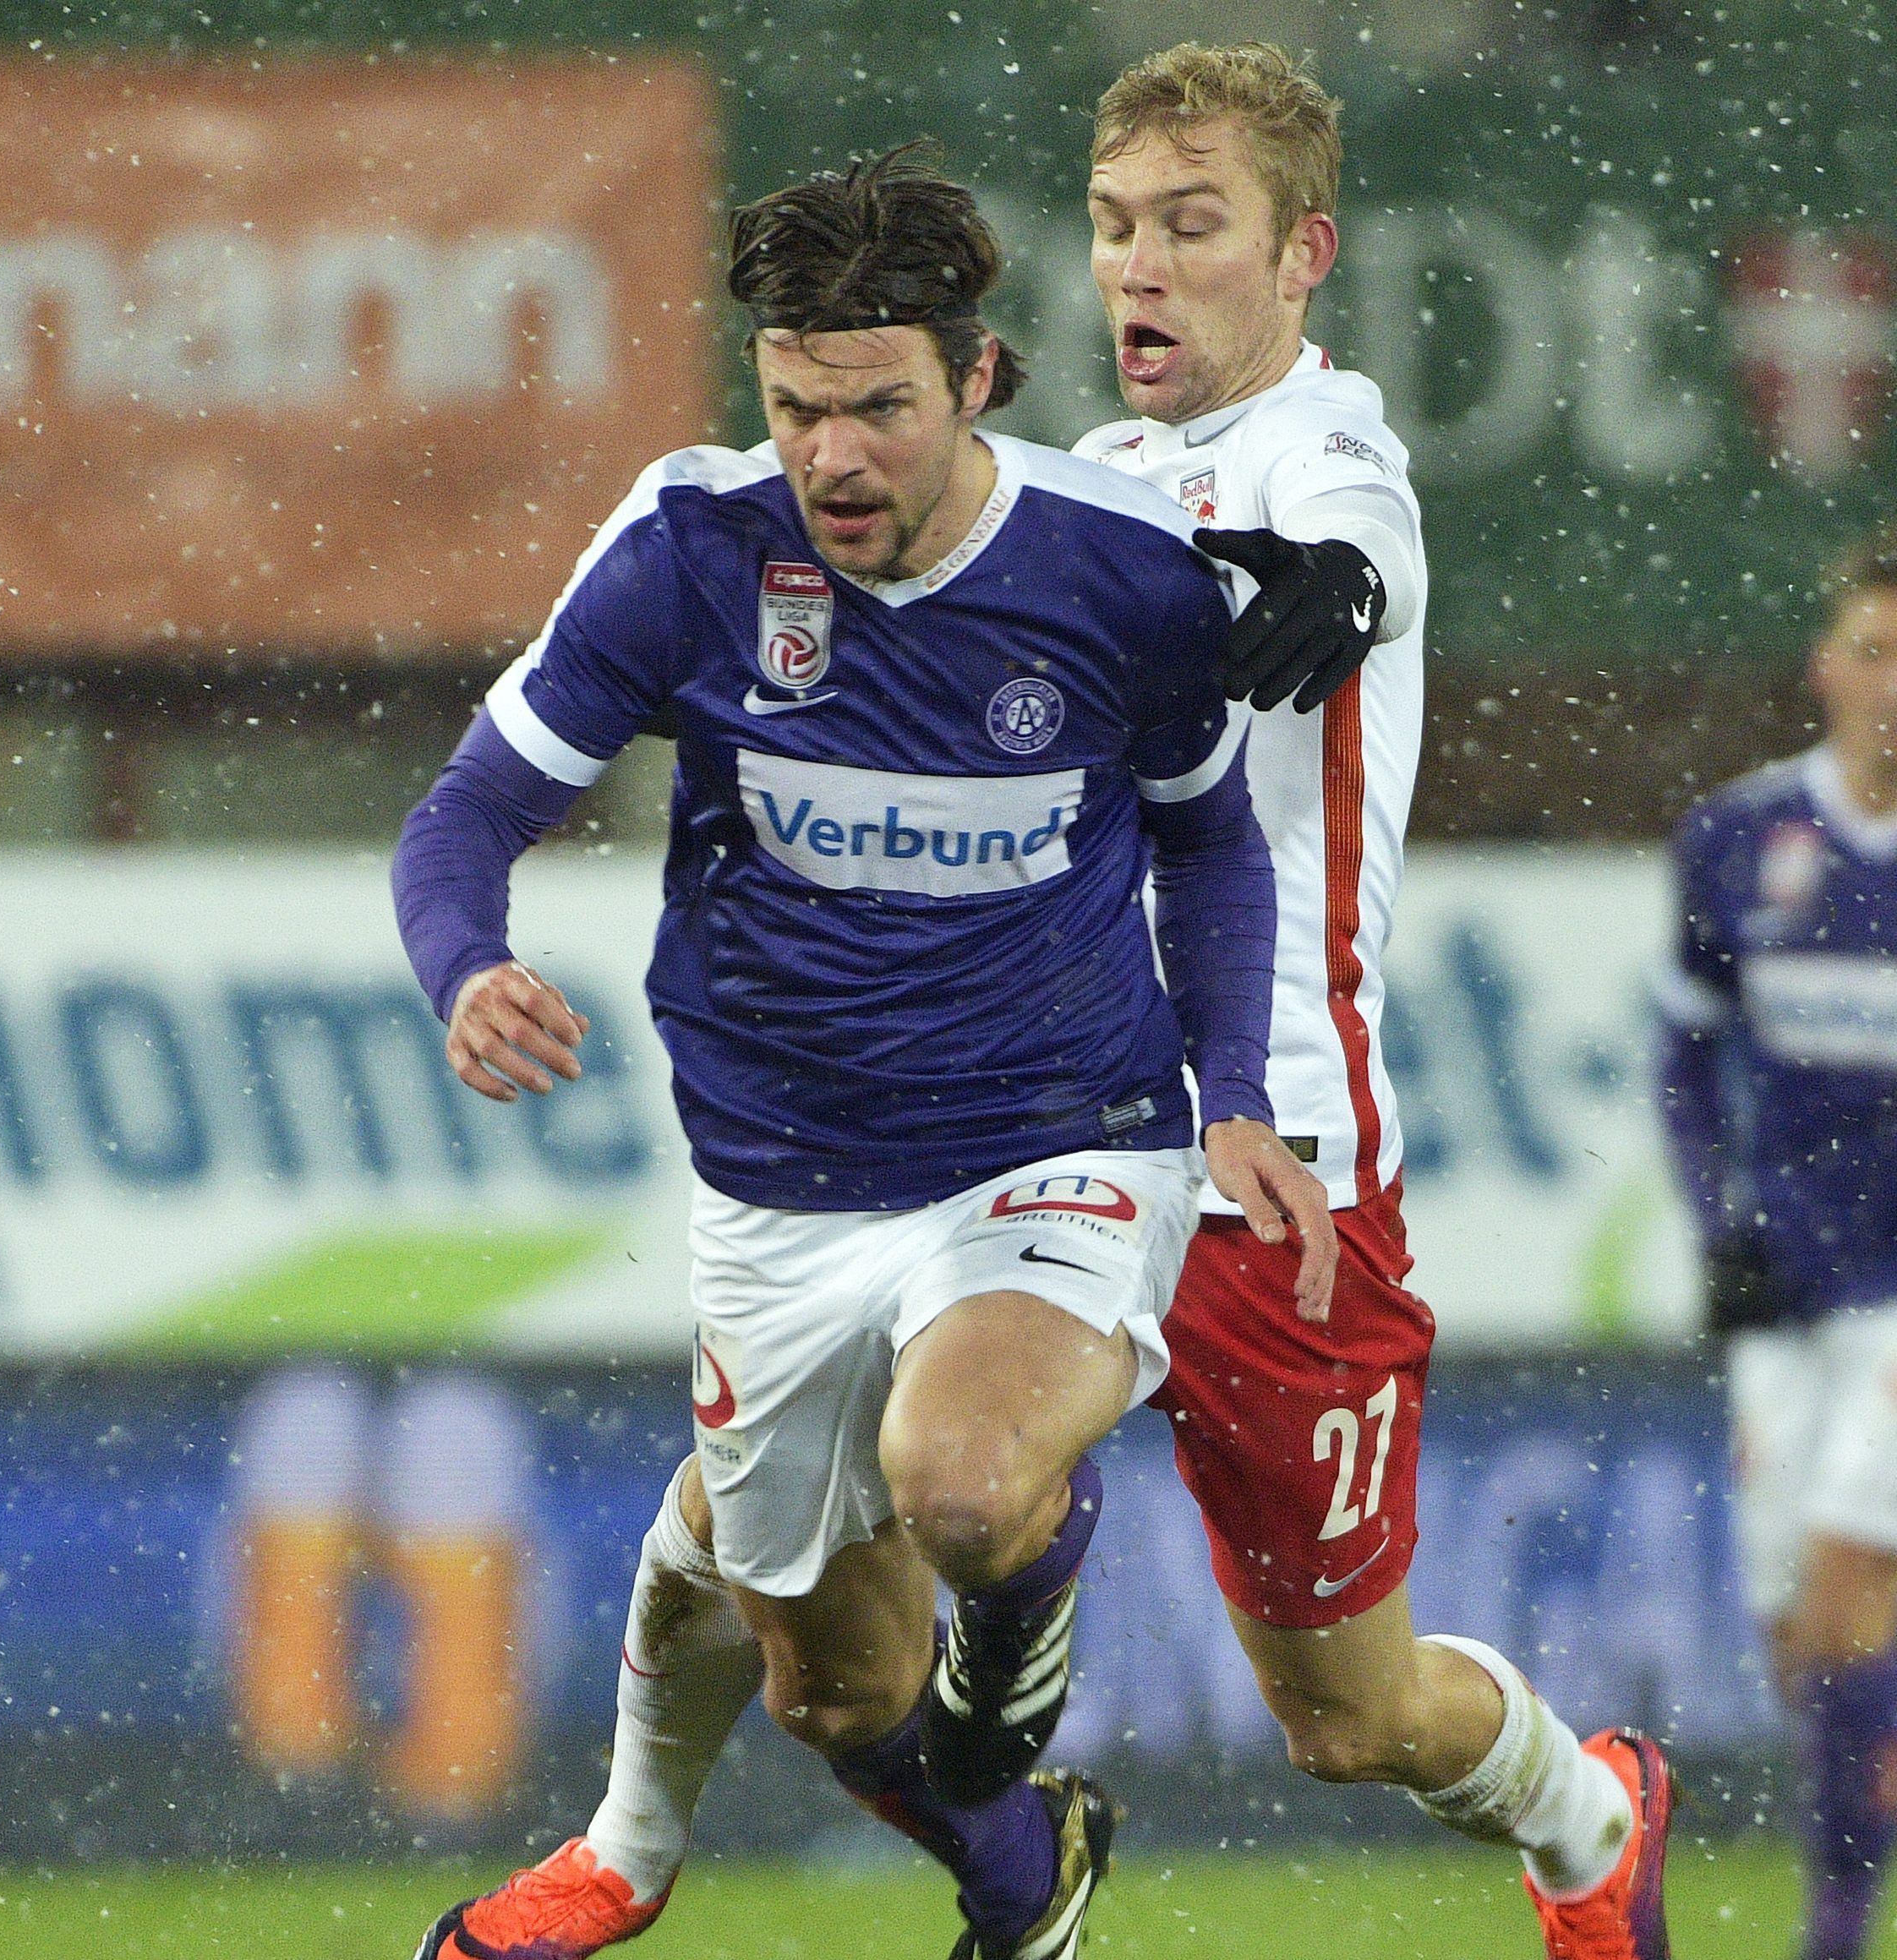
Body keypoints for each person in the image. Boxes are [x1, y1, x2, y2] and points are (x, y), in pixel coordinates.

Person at [543, 45, 1676, 1960]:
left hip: (1265, 1157)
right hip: (1027, 1131)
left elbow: (1356, 545)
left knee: (1347, 1717)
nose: (1139, 268)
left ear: (1298, 252)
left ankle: (1587, 1811)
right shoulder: (1070, 500)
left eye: (1191, 225)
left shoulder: (1325, 441)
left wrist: (1328, 585)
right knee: (802, 1580)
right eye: (1114, 227)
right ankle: (686, 1842)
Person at [392, 146, 1334, 1960]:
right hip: (777, 1176)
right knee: (831, 1693)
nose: (834, 457)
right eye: (797, 405)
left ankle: (1012, 1616)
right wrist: (463, 966)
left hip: (1058, 1125)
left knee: (966, 1483)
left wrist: (1235, 1101)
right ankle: (1019, 1874)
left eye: (880, 408)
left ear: (979, 377)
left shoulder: (1120, 572)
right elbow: (463, 817)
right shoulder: (686, 550)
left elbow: (1209, 843)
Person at [1657, 528, 1897, 1960]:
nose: (1892, 685)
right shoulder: (1740, 839)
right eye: (1872, 651)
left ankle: (1832, 1934)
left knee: (1844, 1585)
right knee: (1799, 1640)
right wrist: (1718, 1226)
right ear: (1823, 667)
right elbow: (1684, 1056)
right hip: (1787, 1286)